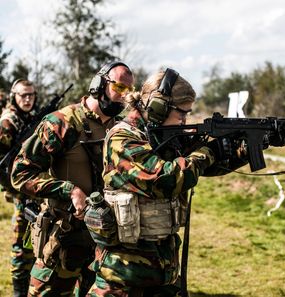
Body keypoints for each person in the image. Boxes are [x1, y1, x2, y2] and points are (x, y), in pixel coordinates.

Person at [85, 68, 248, 296]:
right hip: (123, 278)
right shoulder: (124, 138)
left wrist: (246, 149)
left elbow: (203, 168)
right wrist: (206, 153)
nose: (185, 120)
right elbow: (164, 179)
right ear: (158, 108)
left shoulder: (163, 136)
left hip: (164, 273)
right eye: (182, 113)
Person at [11, 61, 134, 296]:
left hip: (104, 241)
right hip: (63, 237)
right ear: (98, 85)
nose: (124, 96)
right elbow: (20, 173)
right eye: (119, 87)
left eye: (128, 91)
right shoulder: (62, 122)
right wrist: (70, 190)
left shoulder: (120, 129)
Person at [0, 79, 37, 297]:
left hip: (30, 187)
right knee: (21, 245)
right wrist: (13, 188)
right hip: (20, 191)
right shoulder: (8, 122)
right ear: (14, 95)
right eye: (23, 95)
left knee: (31, 242)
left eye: (31, 95)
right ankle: (18, 292)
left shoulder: (28, 118)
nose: (27, 99)